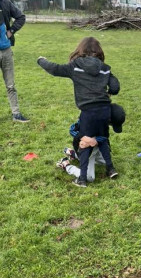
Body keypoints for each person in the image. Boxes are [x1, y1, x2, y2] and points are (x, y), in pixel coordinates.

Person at [37, 37, 120, 188]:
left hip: (88, 113)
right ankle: (110, 168)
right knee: (102, 138)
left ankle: (79, 176)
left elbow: (55, 69)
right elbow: (115, 87)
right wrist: (107, 93)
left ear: (80, 50)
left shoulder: (75, 66)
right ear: (99, 52)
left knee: (86, 142)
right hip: (104, 111)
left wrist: (41, 60)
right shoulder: (105, 68)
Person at [56, 103, 125, 184]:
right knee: (89, 178)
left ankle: (72, 154)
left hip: (97, 146)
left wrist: (94, 141)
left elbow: (104, 137)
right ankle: (66, 165)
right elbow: (72, 130)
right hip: (86, 149)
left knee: (104, 162)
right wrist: (85, 139)